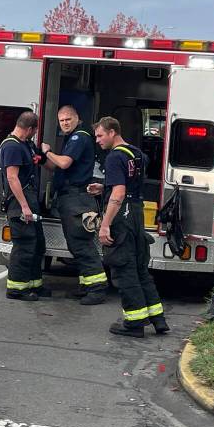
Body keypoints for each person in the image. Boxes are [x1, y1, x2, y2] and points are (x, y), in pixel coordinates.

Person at [89, 117, 169, 337]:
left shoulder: (114, 158)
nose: (98, 140)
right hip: (137, 212)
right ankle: (158, 319)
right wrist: (105, 186)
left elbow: (119, 192)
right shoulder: (136, 153)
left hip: (122, 216)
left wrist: (105, 225)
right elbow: (127, 182)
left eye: (100, 135)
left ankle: (134, 323)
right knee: (140, 268)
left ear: (113, 132)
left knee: (124, 269)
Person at [41, 106, 108, 305]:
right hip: (70, 198)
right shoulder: (72, 139)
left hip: (78, 199)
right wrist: (42, 159)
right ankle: (86, 285)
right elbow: (55, 165)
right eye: (61, 121)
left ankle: (97, 289)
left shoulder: (80, 137)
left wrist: (48, 151)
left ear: (78, 118)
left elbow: (64, 163)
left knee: (81, 244)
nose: (65, 123)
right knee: (75, 245)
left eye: (68, 119)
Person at [0, 110, 50, 301]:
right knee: (24, 246)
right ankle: (16, 289)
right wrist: (24, 207)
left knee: (37, 245)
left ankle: (34, 284)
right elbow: (12, 178)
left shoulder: (25, 144)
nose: (34, 135)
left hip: (30, 201)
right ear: (29, 129)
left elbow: (36, 158)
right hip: (19, 203)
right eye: (34, 131)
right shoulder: (12, 146)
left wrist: (42, 155)